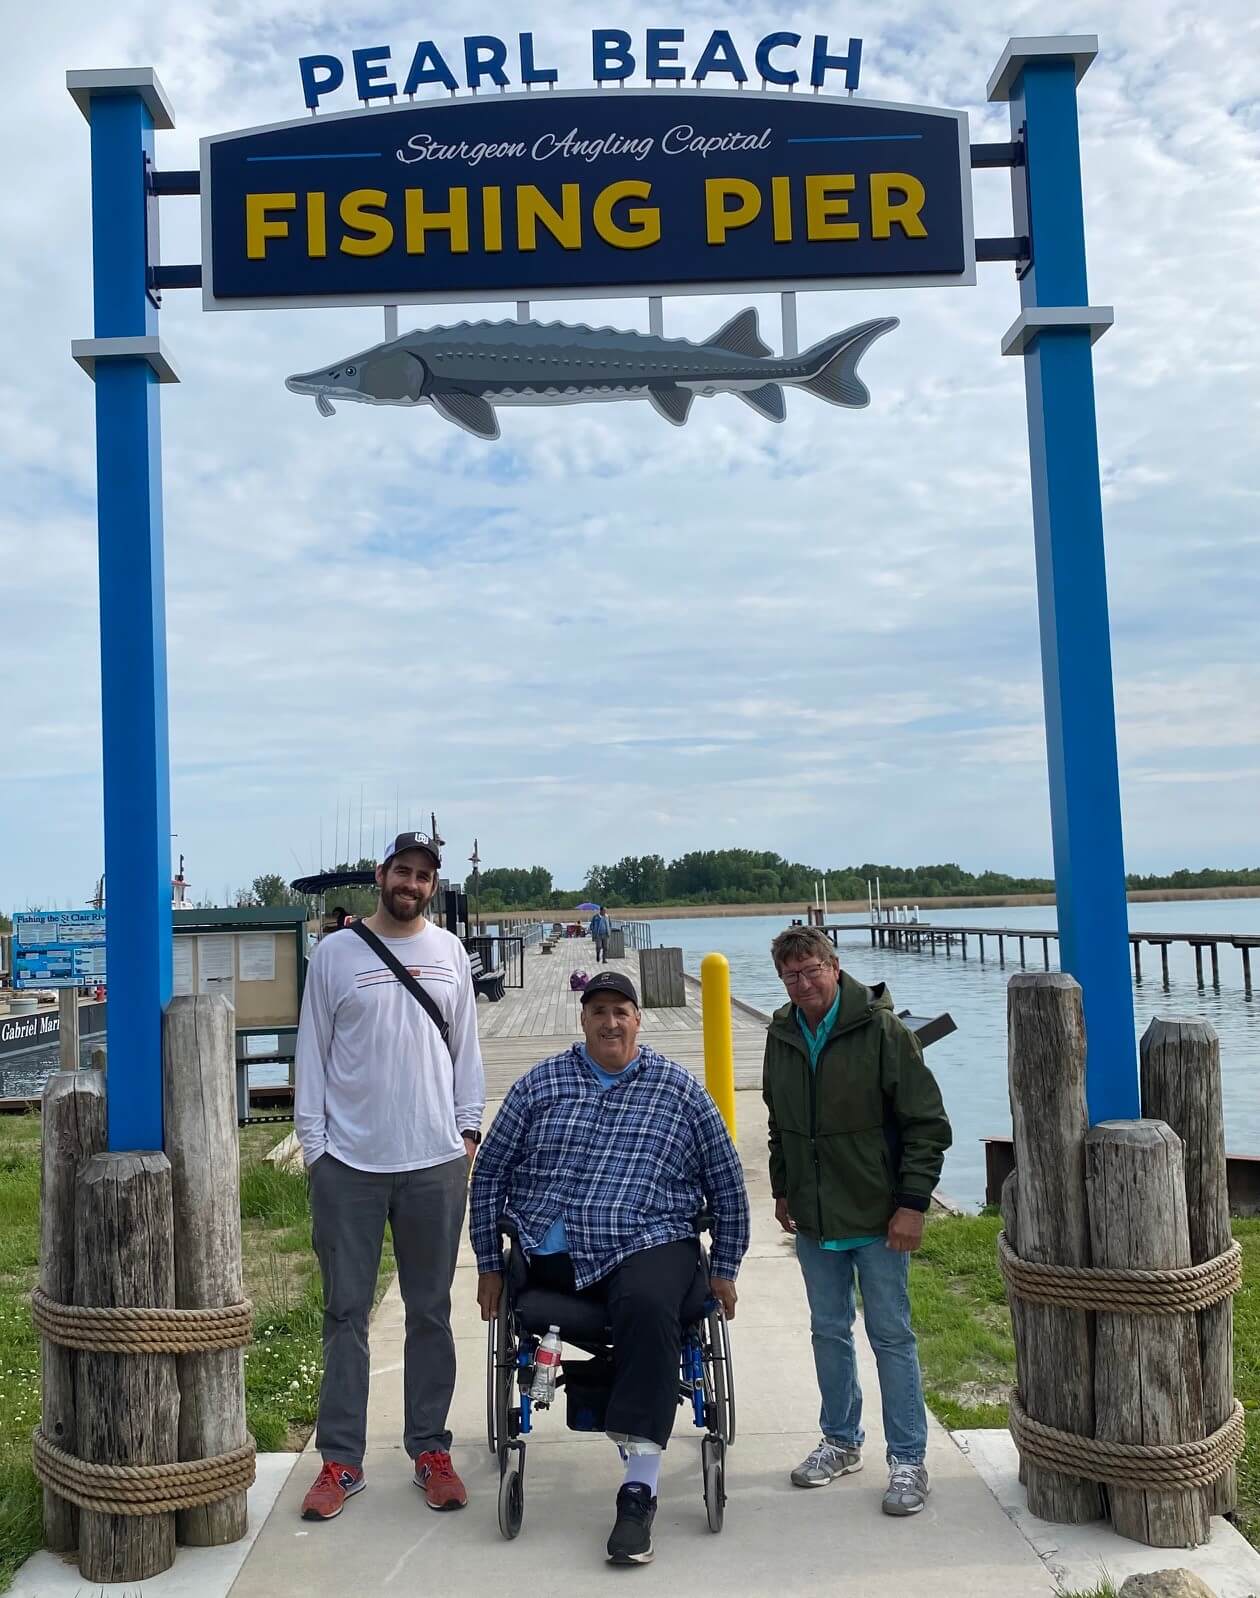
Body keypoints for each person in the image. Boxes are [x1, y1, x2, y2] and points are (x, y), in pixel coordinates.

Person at [470, 972, 749, 1566]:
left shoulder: (680, 1091)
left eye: (621, 1011)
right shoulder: (539, 1085)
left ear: (638, 1019)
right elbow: (489, 1172)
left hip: (649, 1236)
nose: (610, 1023)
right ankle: (628, 1442)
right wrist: (488, 1264)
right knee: (576, 1298)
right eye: (599, 1011)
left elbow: (727, 1182)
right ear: (583, 1020)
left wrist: (724, 1266)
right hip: (557, 1248)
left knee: (650, 1304)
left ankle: (638, 1489)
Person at [294, 831, 485, 1522]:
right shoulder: (336, 955)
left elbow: (465, 1046)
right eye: (401, 871)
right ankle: (340, 1461)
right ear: (382, 875)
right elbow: (311, 1050)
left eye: (423, 875)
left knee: (430, 1312)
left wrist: (467, 1130)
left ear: (433, 886)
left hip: (434, 1161)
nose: (411, 883)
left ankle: (429, 1450)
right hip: (349, 1164)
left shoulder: (449, 953)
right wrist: (314, 1146)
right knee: (346, 1313)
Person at [761, 925, 951, 1517]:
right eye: (790, 975)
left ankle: (909, 1461)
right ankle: (841, 1442)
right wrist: (784, 1188)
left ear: (834, 966)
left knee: (891, 1335)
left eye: (811, 969)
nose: (802, 983)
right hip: (816, 1219)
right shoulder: (782, 1033)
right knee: (827, 1330)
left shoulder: (883, 1031)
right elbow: (778, 1122)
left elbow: (926, 1124)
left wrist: (913, 1204)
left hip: (879, 1215)